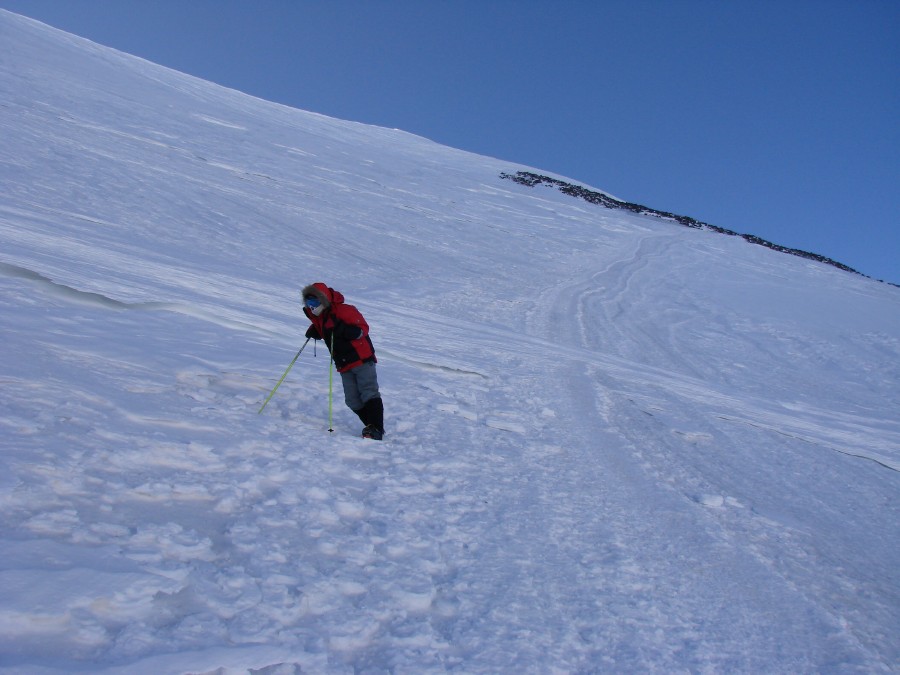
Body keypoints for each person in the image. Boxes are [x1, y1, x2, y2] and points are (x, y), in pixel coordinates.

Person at [301, 282, 385, 440]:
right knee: (352, 400)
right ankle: (371, 425)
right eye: (308, 303)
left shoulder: (345, 310)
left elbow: (362, 330)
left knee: (369, 392)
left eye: (314, 302)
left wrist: (344, 330)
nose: (311, 307)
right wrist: (317, 332)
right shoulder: (319, 317)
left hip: (361, 357)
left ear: (323, 299)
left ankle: (375, 429)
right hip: (343, 362)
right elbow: (327, 330)